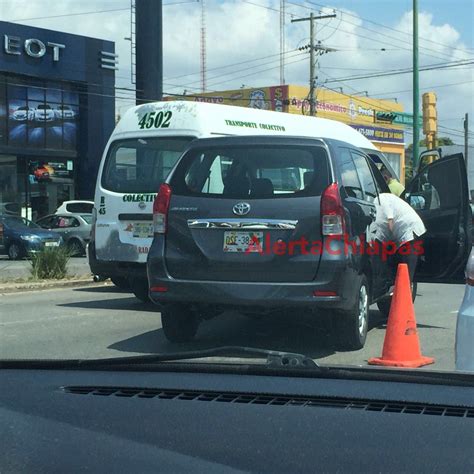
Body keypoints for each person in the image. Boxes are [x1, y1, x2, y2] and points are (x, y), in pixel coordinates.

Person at [374, 192, 426, 284]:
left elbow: (390, 221)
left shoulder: (380, 199)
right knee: (403, 266)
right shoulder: (379, 207)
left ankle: (404, 290)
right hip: (405, 231)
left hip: (410, 230)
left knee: (406, 268)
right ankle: (399, 288)